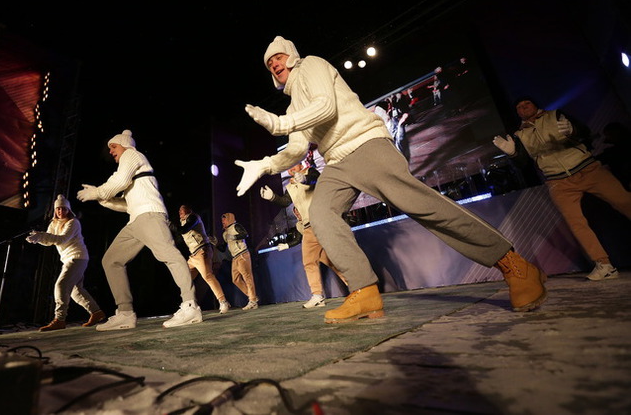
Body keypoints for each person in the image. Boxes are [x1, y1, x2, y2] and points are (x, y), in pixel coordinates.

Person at [235, 36, 547, 324]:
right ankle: (365, 291)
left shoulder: (312, 65)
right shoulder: (292, 107)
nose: (274, 64)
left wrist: (282, 123)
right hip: (337, 162)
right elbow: (296, 149)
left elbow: (325, 106)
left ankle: (513, 264)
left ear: (291, 56)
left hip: (365, 144)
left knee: (422, 206)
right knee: (320, 214)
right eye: (269, 63)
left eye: (278, 57)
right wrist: (265, 164)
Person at [493, 98, 631, 281]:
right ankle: (604, 265)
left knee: (624, 201)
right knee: (576, 223)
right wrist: (513, 154)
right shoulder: (519, 134)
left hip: (588, 169)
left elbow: (584, 132)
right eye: (519, 107)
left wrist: (574, 130)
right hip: (558, 181)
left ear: (535, 105)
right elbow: (522, 163)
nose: (523, 108)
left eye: (526, 104)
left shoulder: (556, 115)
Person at [76, 130, 202, 330]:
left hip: (150, 215)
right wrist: (100, 197)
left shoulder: (131, 155)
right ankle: (125, 313)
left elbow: (119, 182)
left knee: (169, 254)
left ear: (125, 144)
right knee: (111, 260)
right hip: (135, 220)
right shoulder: (132, 170)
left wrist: (98, 192)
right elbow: (126, 204)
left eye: (114, 147)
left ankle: (190, 305)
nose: (111, 151)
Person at [260, 159, 348, 308]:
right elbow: (285, 202)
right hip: (308, 227)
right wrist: (272, 197)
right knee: (311, 261)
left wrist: (305, 179)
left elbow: (316, 179)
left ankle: (359, 287)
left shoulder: (310, 172)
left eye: (293, 165)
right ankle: (317, 295)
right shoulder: (290, 186)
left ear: (301, 164)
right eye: (288, 167)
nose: (291, 169)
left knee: (337, 257)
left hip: (322, 221)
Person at [26, 194, 106, 331]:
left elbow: (62, 239)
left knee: (61, 285)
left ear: (69, 210)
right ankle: (96, 312)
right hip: (69, 258)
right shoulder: (53, 224)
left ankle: (60, 319)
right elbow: (50, 241)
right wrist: (38, 239)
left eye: (63, 208)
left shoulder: (73, 222)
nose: (60, 211)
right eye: (58, 209)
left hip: (77, 257)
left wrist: (41, 236)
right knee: (76, 290)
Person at [176, 205, 231, 314]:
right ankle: (188, 305)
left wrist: (170, 225)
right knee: (185, 278)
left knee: (208, 276)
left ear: (188, 210)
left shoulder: (193, 217)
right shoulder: (182, 222)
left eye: (182, 209)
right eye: (179, 210)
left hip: (202, 251)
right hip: (193, 255)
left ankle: (223, 301)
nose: (180, 212)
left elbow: (184, 229)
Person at [219, 212, 259, 310]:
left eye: (224, 219)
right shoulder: (225, 233)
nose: (223, 222)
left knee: (247, 277)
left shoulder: (236, 226)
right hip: (235, 258)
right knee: (235, 279)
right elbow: (223, 248)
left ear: (229, 219)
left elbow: (245, 234)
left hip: (242, 254)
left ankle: (253, 301)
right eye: (222, 220)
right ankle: (252, 296)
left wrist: (234, 237)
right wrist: (215, 243)